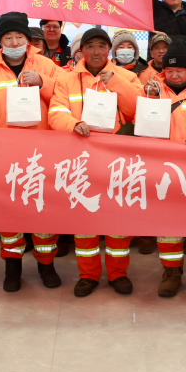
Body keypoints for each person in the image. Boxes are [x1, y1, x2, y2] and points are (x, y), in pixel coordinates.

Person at [0, 11, 65, 292]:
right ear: (0, 40)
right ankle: (12, 267)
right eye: (8, 37)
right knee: (9, 212)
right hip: (5, 152)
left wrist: (43, 83)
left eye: (19, 37)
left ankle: (46, 265)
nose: (13, 42)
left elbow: (65, 96)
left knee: (43, 212)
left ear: (28, 40)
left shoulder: (46, 65)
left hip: (41, 151)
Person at [49, 28, 145, 297]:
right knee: (84, 221)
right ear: (81, 51)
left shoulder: (128, 77)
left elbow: (138, 111)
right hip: (81, 159)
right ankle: (88, 275)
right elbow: (56, 112)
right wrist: (72, 123)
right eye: (90, 46)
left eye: (101, 46)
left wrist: (116, 82)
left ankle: (118, 273)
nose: (96, 51)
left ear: (109, 50)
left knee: (118, 218)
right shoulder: (66, 80)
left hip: (117, 159)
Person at [140, 42, 186, 298]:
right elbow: (142, 123)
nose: (173, 75)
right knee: (167, 225)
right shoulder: (153, 88)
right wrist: (148, 97)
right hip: (163, 170)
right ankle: (171, 272)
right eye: (169, 71)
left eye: (179, 70)